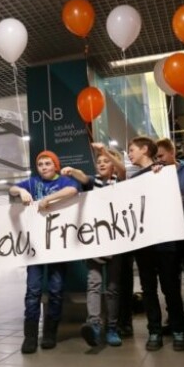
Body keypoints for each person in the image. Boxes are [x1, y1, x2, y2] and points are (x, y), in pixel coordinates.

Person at [11, 150, 80, 354]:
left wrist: (48, 199)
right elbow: (12, 188)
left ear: (55, 166)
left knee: (56, 290)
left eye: (47, 163)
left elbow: (73, 191)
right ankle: (30, 336)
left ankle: (50, 333)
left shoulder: (65, 180)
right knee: (32, 291)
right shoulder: (32, 182)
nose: (43, 167)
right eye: (40, 164)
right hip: (35, 247)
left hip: (58, 245)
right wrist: (21, 192)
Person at [62, 143, 126, 348]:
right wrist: (72, 171)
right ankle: (94, 325)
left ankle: (112, 328)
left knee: (113, 288)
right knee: (93, 284)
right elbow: (82, 176)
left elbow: (123, 170)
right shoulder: (93, 182)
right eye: (98, 161)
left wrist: (105, 151)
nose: (101, 164)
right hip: (95, 242)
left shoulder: (121, 181)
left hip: (116, 242)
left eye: (106, 161)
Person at [128, 137, 184, 352]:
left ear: (145, 149)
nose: (129, 153)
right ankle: (154, 330)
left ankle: (178, 330)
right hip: (143, 241)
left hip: (165, 240)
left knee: (170, 286)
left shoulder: (164, 171)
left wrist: (160, 171)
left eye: (132, 149)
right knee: (148, 288)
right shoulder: (134, 179)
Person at [157, 139, 184, 336]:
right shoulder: (154, 175)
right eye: (155, 157)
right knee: (170, 278)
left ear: (171, 152)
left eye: (161, 156)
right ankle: (174, 315)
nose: (158, 160)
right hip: (167, 233)